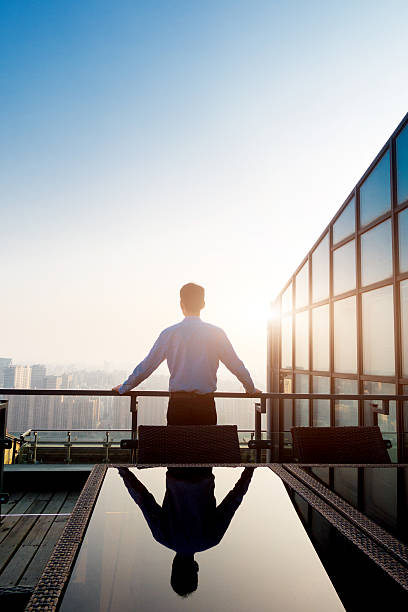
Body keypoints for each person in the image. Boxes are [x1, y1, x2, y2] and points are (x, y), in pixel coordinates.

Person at [113, 282, 261, 425]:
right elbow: (236, 365)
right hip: (205, 406)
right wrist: (250, 389)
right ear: (203, 304)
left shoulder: (169, 334)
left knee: (178, 449)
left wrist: (124, 388)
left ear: (181, 304)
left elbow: (147, 366)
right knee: (203, 450)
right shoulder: (216, 334)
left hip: (178, 406)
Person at [117, 466, 255, 596]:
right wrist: (122, 471)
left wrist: (250, 470)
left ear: (195, 568)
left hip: (205, 461)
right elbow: (142, 498)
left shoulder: (212, 539)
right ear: (173, 566)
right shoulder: (162, 537)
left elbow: (234, 499)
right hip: (175, 461)